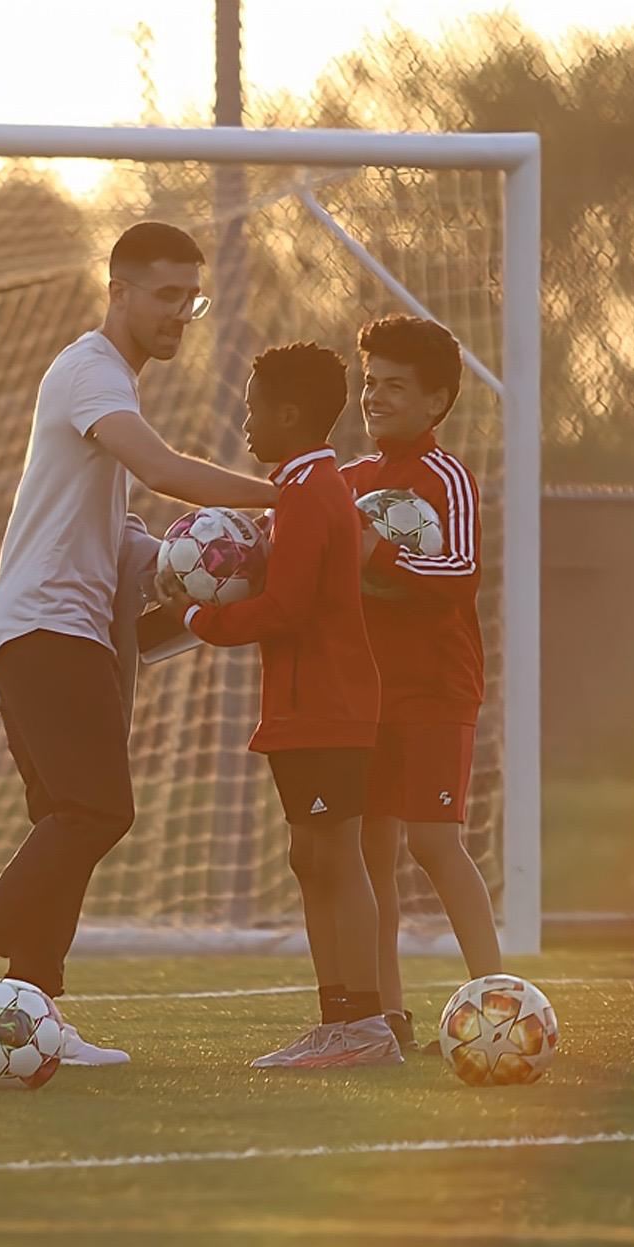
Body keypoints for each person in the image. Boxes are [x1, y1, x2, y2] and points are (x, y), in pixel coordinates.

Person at [0, 221, 278, 1065]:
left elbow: (121, 535)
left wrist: (191, 569)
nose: (181, 314)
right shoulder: (90, 371)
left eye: (193, 299)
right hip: (47, 627)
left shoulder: (112, 384)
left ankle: (35, 1010)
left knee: (64, 818)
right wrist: (282, 496)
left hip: (54, 633)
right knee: (96, 809)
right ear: (117, 292)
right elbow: (163, 469)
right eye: (165, 296)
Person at [164, 341, 402, 1069]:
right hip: (302, 709)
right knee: (310, 857)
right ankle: (338, 1019)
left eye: (252, 406)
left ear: (289, 413)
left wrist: (203, 621)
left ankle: (365, 1025)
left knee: (339, 856)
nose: (244, 421)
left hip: (326, 704)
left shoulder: (307, 490)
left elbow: (289, 606)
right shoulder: (300, 485)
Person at [340, 315, 501, 1054]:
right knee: (369, 856)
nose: (375, 397)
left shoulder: (447, 479)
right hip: (367, 694)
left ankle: (496, 999)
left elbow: (458, 571)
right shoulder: (349, 481)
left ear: (436, 402)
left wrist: (377, 552)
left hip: (436, 690)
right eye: (370, 383)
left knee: (435, 842)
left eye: (395, 387)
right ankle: (388, 1016)